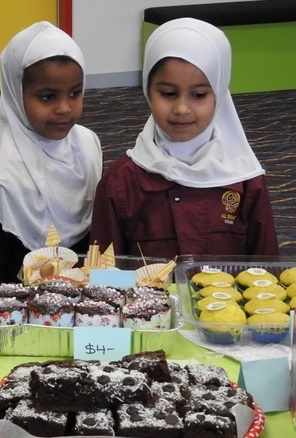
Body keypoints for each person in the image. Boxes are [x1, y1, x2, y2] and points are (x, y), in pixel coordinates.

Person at [90, 17, 279, 258]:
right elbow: (103, 276)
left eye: (199, 95)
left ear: (219, 94)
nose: (181, 109)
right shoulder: (120, 183)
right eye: (168, 93)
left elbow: (266, 274)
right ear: (148, 91)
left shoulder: (245, 180)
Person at [0, 21, 102, 289]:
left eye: (75, 93)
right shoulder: (0, 178)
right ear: (16, 96)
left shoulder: (87, 145)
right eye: (47, 97)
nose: (64, 108)